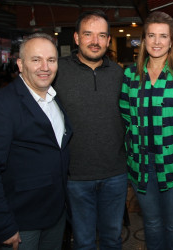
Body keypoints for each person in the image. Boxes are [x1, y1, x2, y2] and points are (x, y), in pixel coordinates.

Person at [119, 11, 173, 250]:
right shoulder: (131, 75)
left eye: (163, 36)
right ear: (144, 40)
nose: (157, 42)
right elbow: (126, 118)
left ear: (171, 41)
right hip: (141, 167)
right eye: (151, 36)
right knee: (153, 223)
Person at [0, 33, 72, 250]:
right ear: (20, 64)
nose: (45, 67)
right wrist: (3, 225)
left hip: (55, 215)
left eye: (51, 60)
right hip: (22, 223)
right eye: (36, 59)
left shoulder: (54, 99)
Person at [53, 10, 128, 250]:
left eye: (101, 35)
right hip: (75, 176)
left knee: (112, 240)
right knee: (83, 242)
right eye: (88, 34)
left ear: (108, 40)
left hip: (115, 174)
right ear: (76, 38)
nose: (95, 41)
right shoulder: (57, 71)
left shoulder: (120, 74)